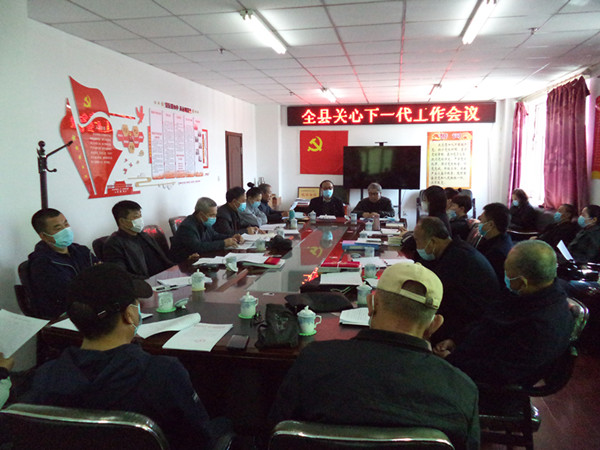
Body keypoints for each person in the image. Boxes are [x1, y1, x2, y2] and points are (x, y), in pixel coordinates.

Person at [269, 262, 479, 450]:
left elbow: (275, 435)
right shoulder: (461, 390)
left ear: (371, 305)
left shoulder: (314, 361)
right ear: (435, 324)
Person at [22, 264, 227, 449]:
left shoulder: (43, 378)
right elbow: (201, 439)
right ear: (129, 315)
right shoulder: (164, 374)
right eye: (136, 303)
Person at [435, 240, 574, 389]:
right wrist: (455, 340)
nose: (505, 277)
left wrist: (452, 361)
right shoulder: (525, 293)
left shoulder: (543, 326)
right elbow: (488, 319)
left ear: (523, 282)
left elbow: (498, 372)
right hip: (466, 357)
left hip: (480, 384)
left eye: (507, 273)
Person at [413, 217, 499, 343]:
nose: (416, 246)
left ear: (433, 241)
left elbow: (433, 299)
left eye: (416, 241)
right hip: (467, 318)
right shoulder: (454, 249)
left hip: (471, 326)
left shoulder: (456, 260)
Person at [28, 208, 99, 319]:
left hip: (92, 306)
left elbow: (103, 274)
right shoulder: (42, 263)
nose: (65, 230)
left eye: (66, 224)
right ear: (44, 236)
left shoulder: (82, 251)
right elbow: (70, 293)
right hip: (65, 315)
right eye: (58, 228)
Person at [103, 200, 175, 279]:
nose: (140, 219)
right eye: (136, 217)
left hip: (164, 278)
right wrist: (148, 281)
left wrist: (175, 270)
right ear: (122, 221)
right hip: (144, 283)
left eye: (140, 216)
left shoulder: (144, 235)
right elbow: (121, 275)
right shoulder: (113, 245)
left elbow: (164, 261)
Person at [169, 197, 243, 263]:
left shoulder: (204, 222)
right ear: (201, 214)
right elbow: (198, 247)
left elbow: (215, 236)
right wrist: (223, 243)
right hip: (183, 263)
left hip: (201, 258)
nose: (214, 218)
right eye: (211, 215)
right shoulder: (187, 227)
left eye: (215, 215)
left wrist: (232, 237)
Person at [475, 203, 513, 286]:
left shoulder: (496, 253)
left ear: (490, 225)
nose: (479, 224)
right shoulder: (500, 238)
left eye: (481, 221)